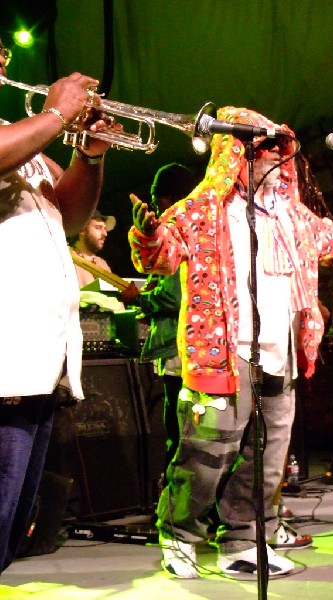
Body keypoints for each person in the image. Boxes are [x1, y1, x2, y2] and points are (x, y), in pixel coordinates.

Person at [128, 106, 333, 579]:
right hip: (224, 352)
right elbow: (161, 259)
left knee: (267, 457)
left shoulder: (292, 216)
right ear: (235, 154)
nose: (273, 159)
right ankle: (179, 534)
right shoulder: (201, 210)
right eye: (261, 150)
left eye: (278, 150)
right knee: (207, 454)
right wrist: (149, 234)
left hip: (281, 353)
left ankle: (243, 539)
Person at [0, 37, 119, 574]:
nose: (2, 66)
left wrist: (87, 153)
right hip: (5, 367)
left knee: (9, 531)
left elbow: (67, 215)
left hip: (35, 370)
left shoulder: (24, 150)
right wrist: (55, 114)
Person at [139, 163, 198, 472]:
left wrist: (141, 299)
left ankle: (178, 505)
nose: (153, 204)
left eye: (156, 197)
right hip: (189, 350)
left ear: (169, 198)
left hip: (180, 351)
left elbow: (175, 296)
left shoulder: (178, 230)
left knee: (178, 433)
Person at [70, 209, 117, 288]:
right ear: (82, 230)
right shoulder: (67, 259)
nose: (105, 234)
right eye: (98, 227)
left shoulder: (102, 263)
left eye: (105, 229)